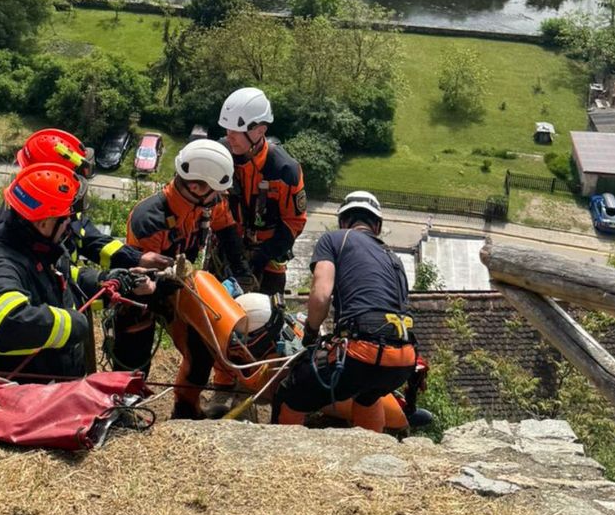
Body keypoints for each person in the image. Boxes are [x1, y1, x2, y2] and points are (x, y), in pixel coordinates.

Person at [0, 164, 154, 380]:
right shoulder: (1, 261)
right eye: (65, 217)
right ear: (44, 223)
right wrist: (71, 324)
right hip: (21, 395)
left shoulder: (40, 246)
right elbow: (6, 322)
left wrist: (105, 280)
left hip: (53, 381)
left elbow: (62, 280)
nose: (69, 223)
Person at [114, 140, 253, 418]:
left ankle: (185, 410)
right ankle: (121, 412)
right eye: (214, 191)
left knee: (202, 352)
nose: (218, 197)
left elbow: (225, 228)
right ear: (197, 186)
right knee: (134, 358)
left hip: (178, 286)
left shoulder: (206, 203)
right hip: (143, 292)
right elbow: (143, 277)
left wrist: (240, 269)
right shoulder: (149, 219)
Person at [271, 191, 418, 432]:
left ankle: (282, 458)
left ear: (343, 222)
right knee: (367, 396)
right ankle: (370, 453)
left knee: (289, 393)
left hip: (363, 353)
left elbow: (321, 295)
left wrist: (310, 336)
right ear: (377, 226)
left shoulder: (335, 239)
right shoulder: (394, 259)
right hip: (403, 361)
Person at [9, 128, 172, 271]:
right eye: (68, 182)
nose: (74, 189)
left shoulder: (58, 214)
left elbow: (90, 241)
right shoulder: (18, 244)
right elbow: (56, 280)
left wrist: (136, 259)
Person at [218, 87, 308, 296]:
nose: (229, 136)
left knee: (266, 318)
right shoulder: (221, 157)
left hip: (269, 258)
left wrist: (262, 257)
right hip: (229, 251)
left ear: (260, 130)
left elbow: (294, 222)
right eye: (227, 129)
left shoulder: (284, 170)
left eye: (236, 130)